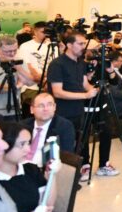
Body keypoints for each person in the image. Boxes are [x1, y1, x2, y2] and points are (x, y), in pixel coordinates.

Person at [47, 32, 115, 180]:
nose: (83, 46)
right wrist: (85, 96)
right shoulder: (57, 64)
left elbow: (84, 84)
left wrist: (95, 90)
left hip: (79, 109)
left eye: (84, 43)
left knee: (81, 140)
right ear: (69, 45)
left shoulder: (80, 62)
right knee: (68, 144)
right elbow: (57, 92)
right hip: (63, 111)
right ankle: (68, 175)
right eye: (80, 44)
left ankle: (83, 167)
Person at [19, 92, 76, 166]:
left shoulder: (64, 126)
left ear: (54, 107)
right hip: (21, 164)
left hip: (46, 167)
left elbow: (65, 156)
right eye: (41, 105)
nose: (45, 109)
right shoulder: (23, 125)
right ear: (32, 109)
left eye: (49, 105)